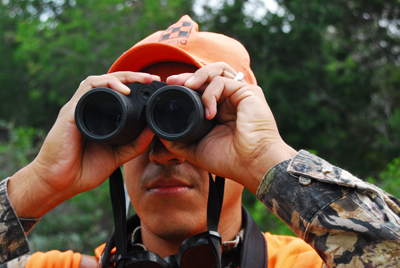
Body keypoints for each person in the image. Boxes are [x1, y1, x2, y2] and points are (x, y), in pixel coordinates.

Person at [1, 15, 400, 268]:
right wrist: (41, 181)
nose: (163, 152)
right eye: (140, 125)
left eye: (187, 119)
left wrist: (264, 156)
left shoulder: (308, 263)